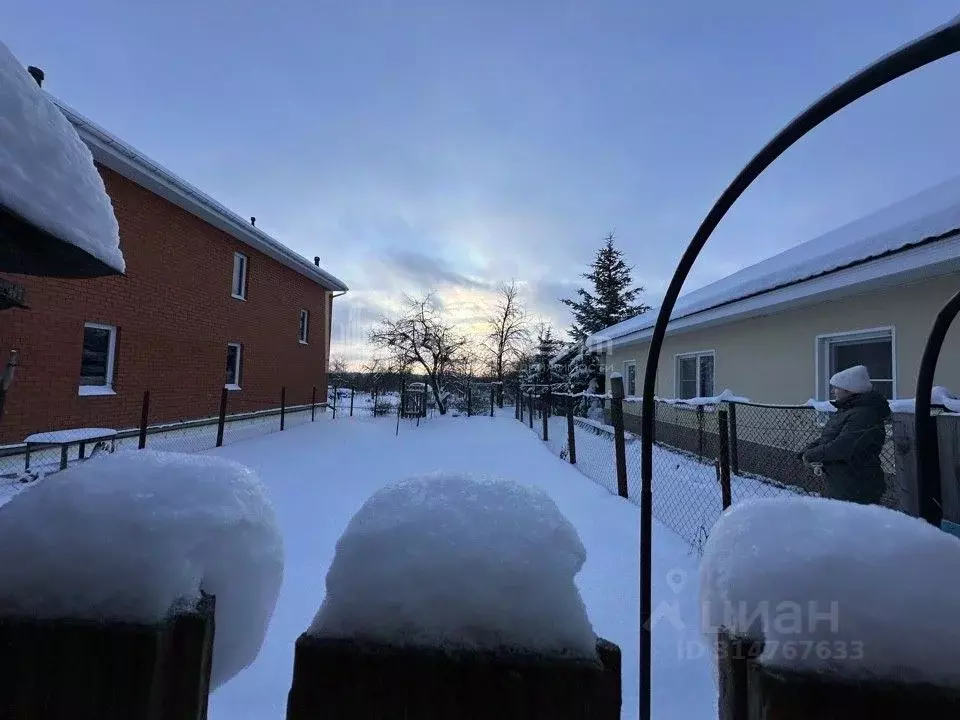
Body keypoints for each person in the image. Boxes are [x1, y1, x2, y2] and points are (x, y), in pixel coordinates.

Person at [801, 365, 891, 505]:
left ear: (849, 389)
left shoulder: (864, 414)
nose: (833, 391)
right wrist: (810, 448)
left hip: (857, 484)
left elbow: (844, 446)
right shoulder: (849, 409)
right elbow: (833, 436)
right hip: (842, 480)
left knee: (853, 524)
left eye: (836, 387)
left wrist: (812, 454)